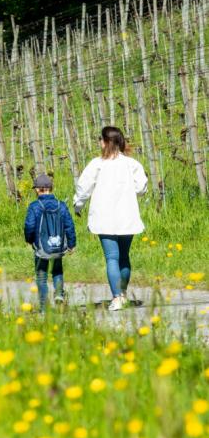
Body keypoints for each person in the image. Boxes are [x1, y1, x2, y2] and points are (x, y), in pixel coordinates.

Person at [73, 126, 148, 311]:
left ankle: (117, 297)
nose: (99, 142)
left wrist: (78, 205)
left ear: (106, 142)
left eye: (101, 139)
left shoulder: (97, 164)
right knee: (123, 257)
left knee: (112, 258)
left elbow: (83, 188)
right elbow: (141, 188)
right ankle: (122, 294)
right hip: (127, 216)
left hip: (104, 217)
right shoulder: (132, 164)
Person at [24, 173, 76, 310]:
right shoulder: (62, 205)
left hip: (41, 248)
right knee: (57, 271)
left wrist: (29, 240)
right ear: (51, 188)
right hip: (58, 247)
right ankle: (59, 294)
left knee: (41, 276)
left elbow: (29, 226)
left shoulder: (34, 206)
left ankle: (43, 307)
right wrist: (71, 244)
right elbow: (69, 226)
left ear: (37, 189)